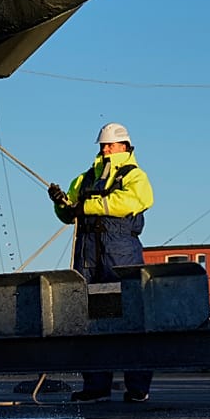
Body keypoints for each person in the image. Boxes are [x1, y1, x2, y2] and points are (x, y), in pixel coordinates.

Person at [47, 122, 156, 403]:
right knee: (90, 323)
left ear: (124, 147)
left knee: (131, 321)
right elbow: (68, 214)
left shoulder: (135, 176)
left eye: (110, 144)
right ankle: (96, 386)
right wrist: (60, 203)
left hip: (120, 254)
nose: (105, 148)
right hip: (88, 257)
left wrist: (86, 206)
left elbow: (135, 200)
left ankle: (138, 387)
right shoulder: (83, 179)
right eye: (102, 145)